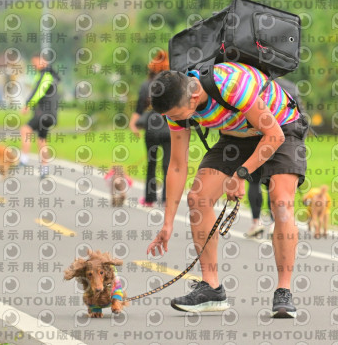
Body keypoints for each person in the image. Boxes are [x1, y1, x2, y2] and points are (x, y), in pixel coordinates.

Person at [146, 61, 309, 319]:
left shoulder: (231, 86)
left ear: (194, 97)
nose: (174, 121)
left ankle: (283, 291)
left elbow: (274, 136)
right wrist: (167, 223)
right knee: (198, 198)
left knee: (280, 203)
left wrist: (240, 174)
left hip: (281, 127)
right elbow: (177, 165)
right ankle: (211, 288)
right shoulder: (177, 106)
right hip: (237, 134)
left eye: (176, 116)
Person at [129, 51, 171, 207]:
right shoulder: (172, 84)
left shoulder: (147, 85)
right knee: (168, 165)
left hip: (152, 128)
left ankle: (149, 199)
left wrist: (133, 124)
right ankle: (166, 198)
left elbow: (139, 108)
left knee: (151, 163)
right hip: (169, 128)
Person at [20, 56, 60, 178]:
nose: (34, 65)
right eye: (33, 63)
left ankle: (24, 159)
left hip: (44, 113)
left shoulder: (46, 75)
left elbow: (39, 91)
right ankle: (44, 169)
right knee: (42, 140)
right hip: (51, 115)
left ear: (44, 61)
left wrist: (28, 104)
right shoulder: (52, 75)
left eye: (36, 62)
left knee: (25, 130)